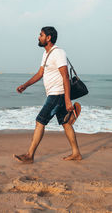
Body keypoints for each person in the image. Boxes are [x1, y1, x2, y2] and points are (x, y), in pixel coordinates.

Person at [13, 26, 82, 164]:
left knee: (40, 121)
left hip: (57, 94)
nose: (39, 37)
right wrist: (25, 85)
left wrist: (67, 100)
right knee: (66, 123)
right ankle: (76, 153)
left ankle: (29, 155)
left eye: (41, 35)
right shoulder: (46, 54)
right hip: (55, 94)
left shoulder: (58, 53)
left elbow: (65, 77)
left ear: (48, 38)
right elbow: (40, 74)